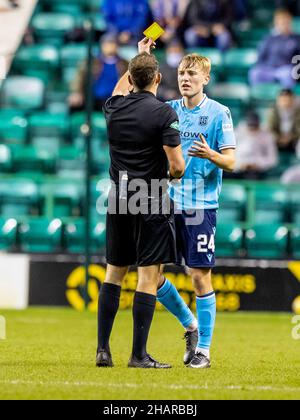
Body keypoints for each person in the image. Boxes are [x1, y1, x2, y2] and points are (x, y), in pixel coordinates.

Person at [96, 39, 186, 369]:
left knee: (113, 273)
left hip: (119, 196)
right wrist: (172, 175)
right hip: (150, 196)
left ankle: (103, 350)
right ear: (158, 79)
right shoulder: (165, 112)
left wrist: (140, 57)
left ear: (131, 78)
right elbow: (176, 166)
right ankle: (138, 355)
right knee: (147, 276)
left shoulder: (114, 108)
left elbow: (121, 89)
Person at [152, 52, 236, 369]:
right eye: (183, 73)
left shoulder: (219, 113)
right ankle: (190, 324)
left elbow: (231, 161)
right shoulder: (169, 110)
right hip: (167, 203)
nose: (185, 78)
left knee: (199, 276)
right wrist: (144, 56)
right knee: (153, 275)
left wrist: (210, 153)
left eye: (193, 74)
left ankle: (203, 350)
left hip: (201, 206)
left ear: (206, 79)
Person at [68, 34, 128, 113]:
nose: (109, 46)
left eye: (112, 43)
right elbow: (79, 78)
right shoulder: (91, 62)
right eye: (106, 43)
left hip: (116, 101)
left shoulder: (125, 64)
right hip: (94, 100)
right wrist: (76, 92)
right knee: (74, 105)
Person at [249, 9, 300, 89]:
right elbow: (261, 56)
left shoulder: (296, 38)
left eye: (286, 21)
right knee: (255, 73)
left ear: (290, 22)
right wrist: (264, 66)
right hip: (268, 69)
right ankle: (259, 98)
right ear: (276, 23)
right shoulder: (269, 38)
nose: (284, 24)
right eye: (281, 22)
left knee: (288, 74)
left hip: (285, 69)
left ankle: (287, 97)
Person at [234, 112, 278, 179]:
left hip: (258, 171)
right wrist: (240, 165)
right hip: (238, 169)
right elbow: (229, 155)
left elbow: (273, 159)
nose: (252, 129)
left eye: (254, 126)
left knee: (252, 176)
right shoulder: (237, 133)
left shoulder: (267, 136)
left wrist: (258, 165)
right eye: (250, 126)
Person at [269, 89, 300, 153]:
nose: (286, 102)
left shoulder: (298, 111)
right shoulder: (273, 111)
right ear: (278, 100)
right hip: (278, 139)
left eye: (288, 100)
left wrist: (291, 137)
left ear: (293, 100)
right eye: (283, 100)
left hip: (294, 139)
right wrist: (279, 138)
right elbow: (270, 128)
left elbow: (298, 128)